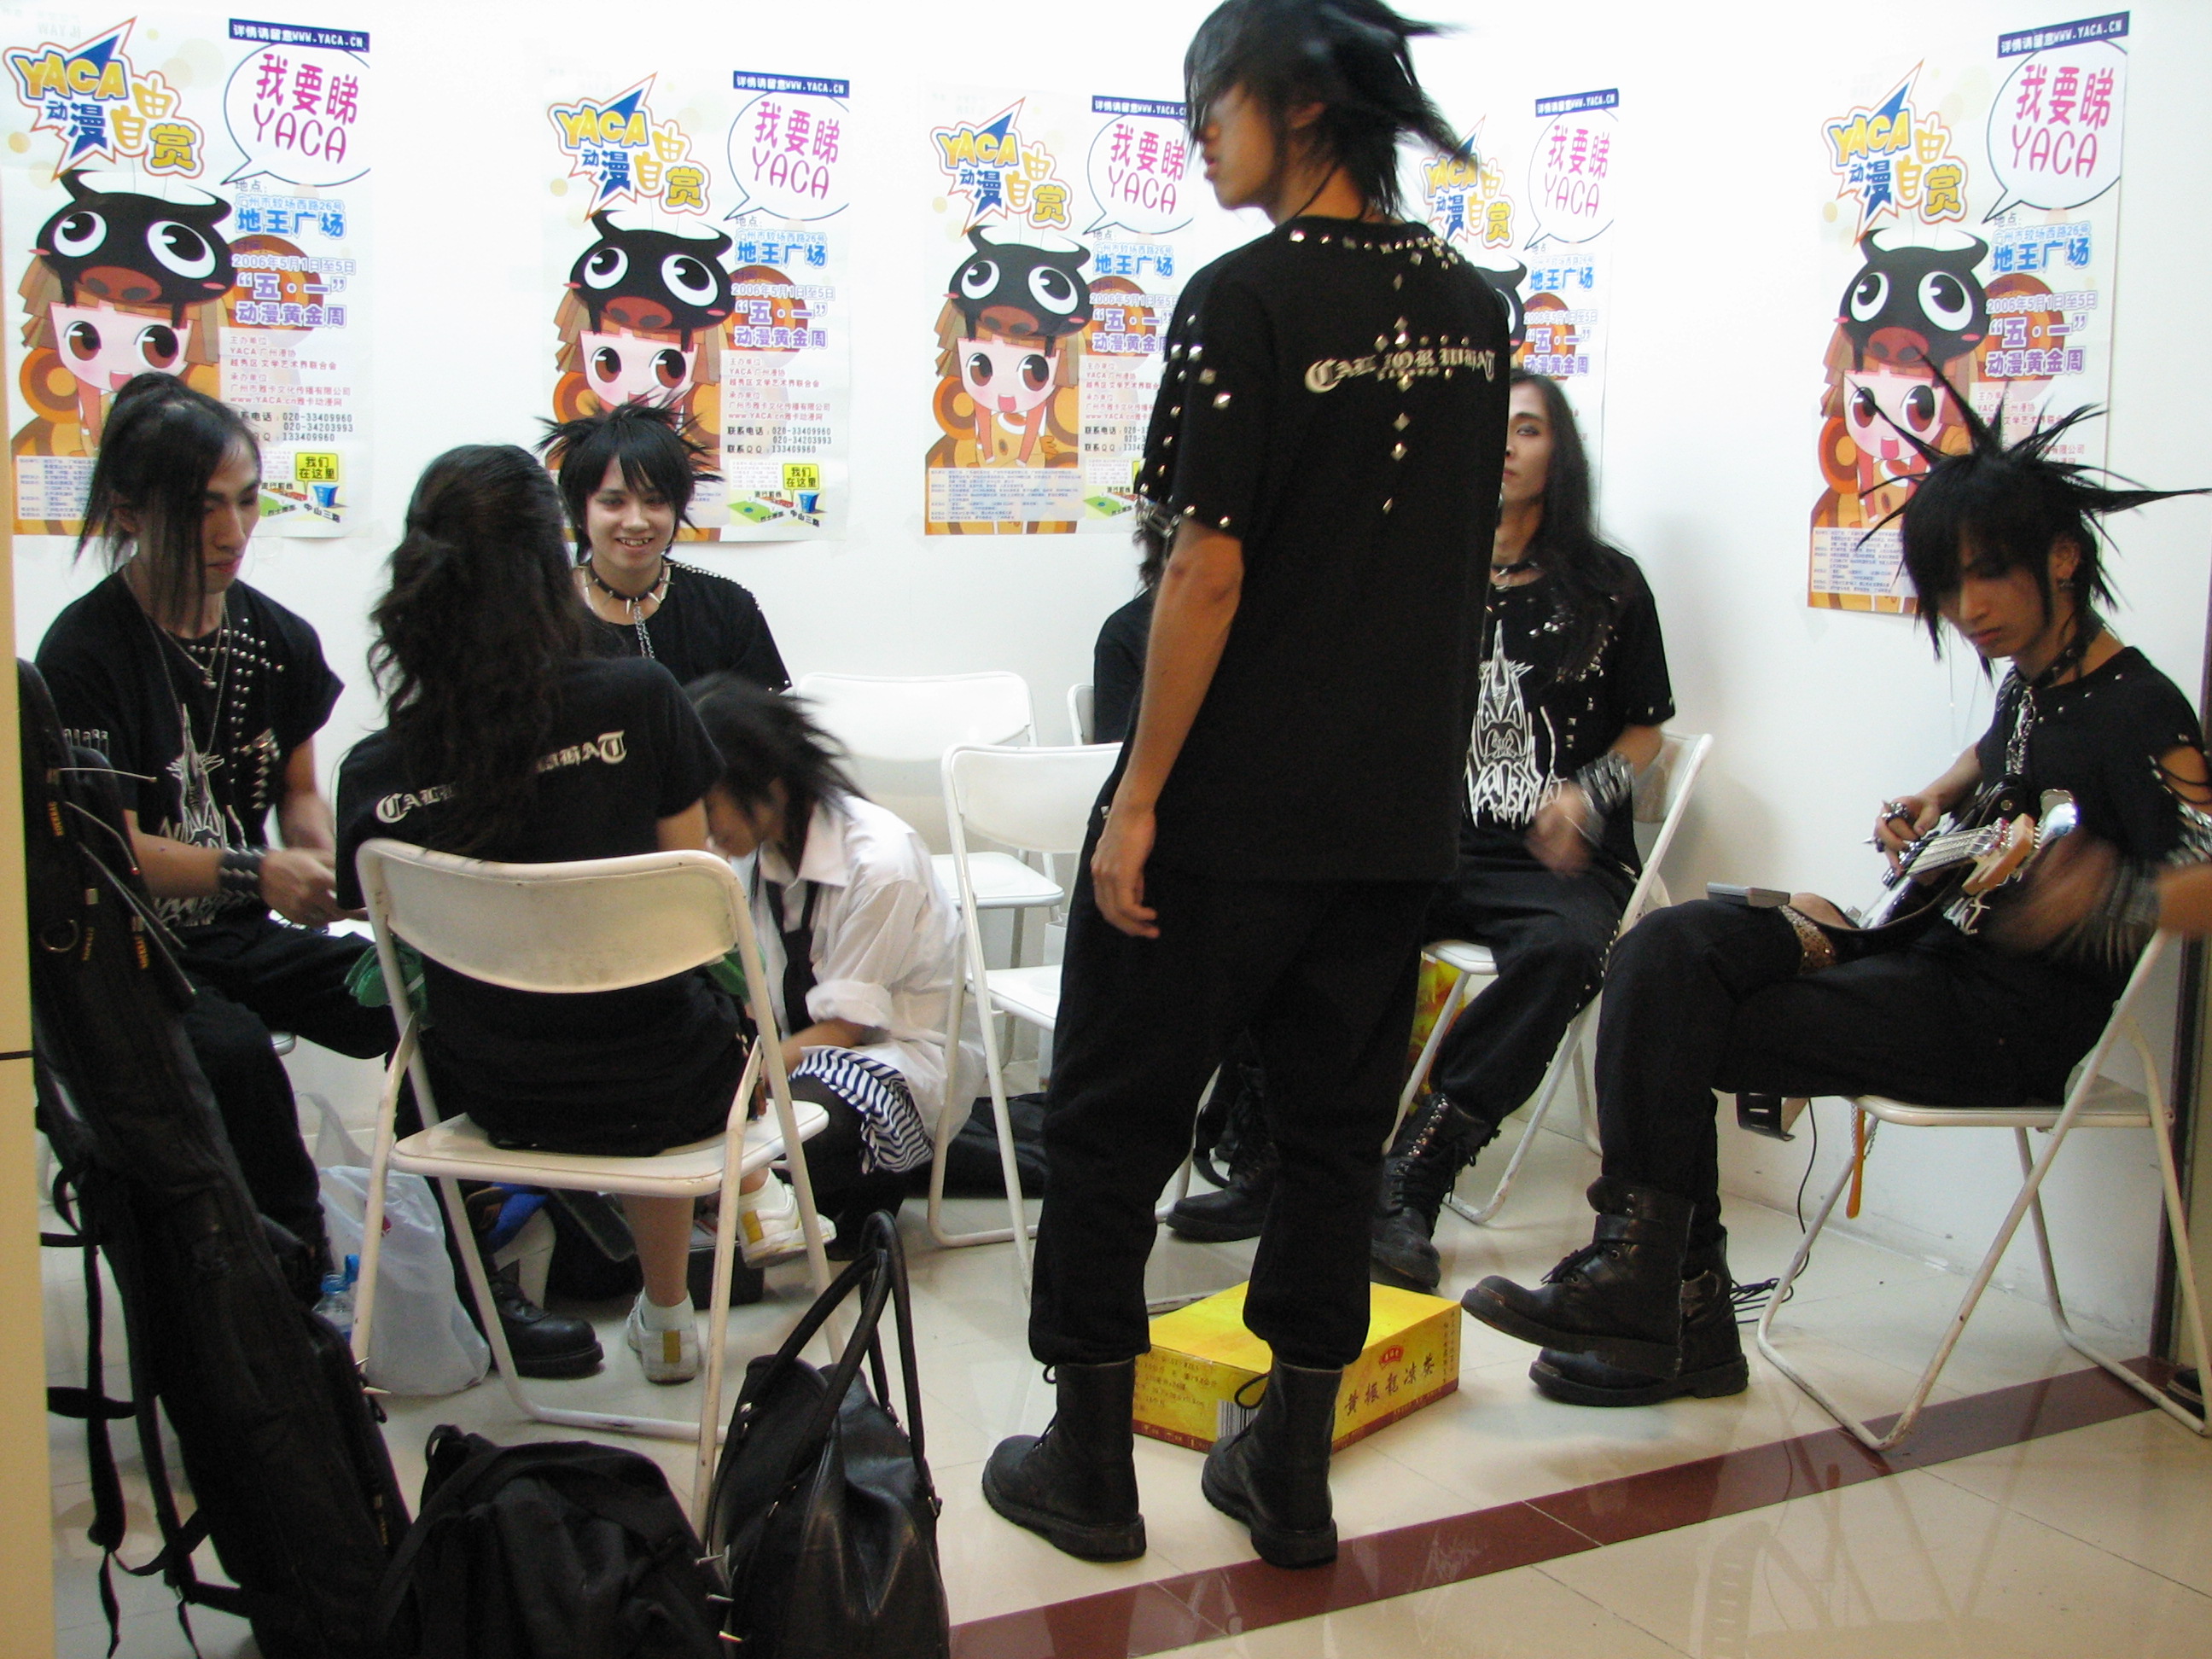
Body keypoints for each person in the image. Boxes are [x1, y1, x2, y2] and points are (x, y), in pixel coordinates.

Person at [982, 0, 1509, 1571]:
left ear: (1301, 106)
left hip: (1227, 808)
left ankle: (1088, 1463)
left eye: (1209, 103)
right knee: (1334, 1141)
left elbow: (1203, 570)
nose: (1196, 137)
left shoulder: (1242, 297)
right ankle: (1288, 1471)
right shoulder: (1474, 305)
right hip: (1390, 814)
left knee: (1110, 1121)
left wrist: (1139, 795)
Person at [1462, 399, 2211, 1410]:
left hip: (2010, 1024)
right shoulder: (2035, 683)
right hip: (1926, 959)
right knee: (1666, 947)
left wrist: (2109, 897)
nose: (1970, 608)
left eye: (1990, 574)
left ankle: (1667, 1309)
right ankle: (1650, 1292)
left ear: (2065, 559)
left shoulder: (2142, 708)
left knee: (1678, 1018)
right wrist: (1936, 798)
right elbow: (2006, 754)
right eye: (1949, 585)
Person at [335, 443, 744, 1386]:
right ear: (551, 560)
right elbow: (699, 903)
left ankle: (484, 1301)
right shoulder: (641, 699)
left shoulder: (377, 771)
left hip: (488, 1094)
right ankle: (670, 1319)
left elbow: (379, 935)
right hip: (670, 1085)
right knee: (660, 1006)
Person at [35, 374, 388, 1291]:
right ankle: (290, 1288)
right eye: (201, 508)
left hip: (238, 933)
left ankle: (459, 1244)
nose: (232, 531)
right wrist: (259, 874)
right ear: (128, 511)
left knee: (417, 1003)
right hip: (130, 952)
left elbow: (297, 793)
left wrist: (323, 863)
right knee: (233, 1055)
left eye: (246, 500)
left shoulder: (278, 639)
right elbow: (108, 848)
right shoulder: (84, 654)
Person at [1371, 370, 1674, 1294]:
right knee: (1328, 917)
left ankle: (1414, 1173)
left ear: (1559, 452)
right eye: (1490, 424)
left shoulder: (1609, 587)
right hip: (1432, 838)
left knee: (1567, 950)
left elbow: (1647, 729)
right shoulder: (1427, 568)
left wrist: (1588, 793)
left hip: (1553, 860)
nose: (1504, 443)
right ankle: (1282, 1154)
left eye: (1529, 427)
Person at [688, 676, 961, 1257]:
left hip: (887, 1068)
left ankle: (768, 1197)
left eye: (709, 805)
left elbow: (845, 1032)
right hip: (794, 1058)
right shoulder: (748, 855)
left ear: (768, 781)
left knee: (766, 1134)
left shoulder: (880, 861)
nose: (705, 829)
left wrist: (734, 1087)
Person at [538, 402, 789, 690]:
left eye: (655, 501)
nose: (636, 521)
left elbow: (765, 715)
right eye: (613, 502)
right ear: (579, 510)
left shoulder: (727, 607)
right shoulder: (543, 612)